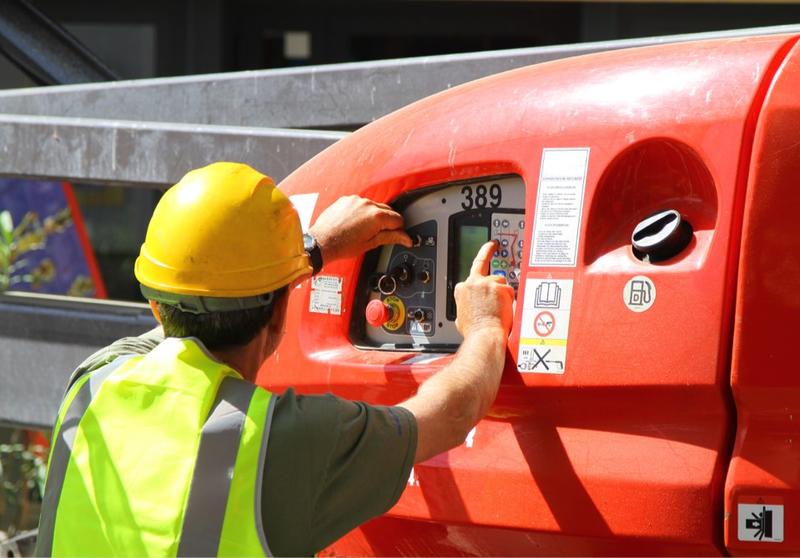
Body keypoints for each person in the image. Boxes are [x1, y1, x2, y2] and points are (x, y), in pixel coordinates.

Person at [35, 162, 513, 557]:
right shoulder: (281, 439)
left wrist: (310, 253)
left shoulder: (95, 382)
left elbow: (187, 312)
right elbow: (450, 416)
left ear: (155, 304)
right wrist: (487, 326)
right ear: (281, 313)